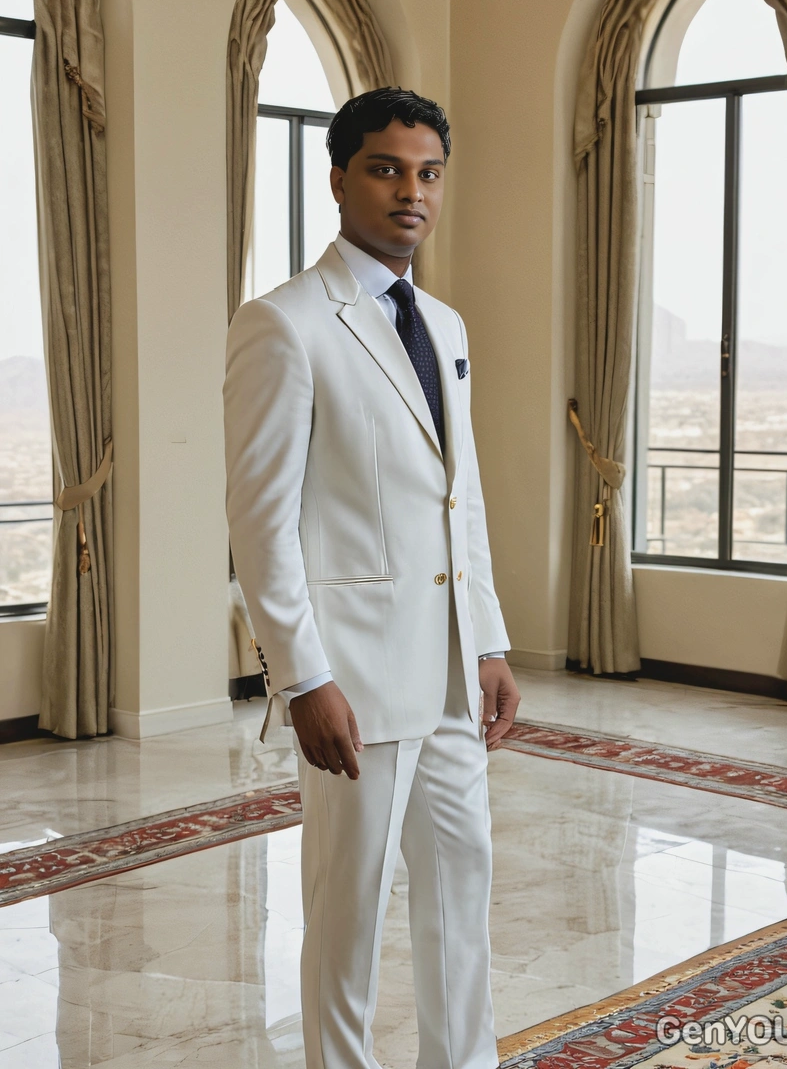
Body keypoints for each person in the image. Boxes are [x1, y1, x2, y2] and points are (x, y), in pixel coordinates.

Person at [223, 86, 521, 1069]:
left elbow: (458, 496)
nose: (411, 192)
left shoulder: (445, 322)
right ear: (340, 176)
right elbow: (262, 520)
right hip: (350, 683)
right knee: (346, 916)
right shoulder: (286, 324)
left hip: (443, 678)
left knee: (460, 890)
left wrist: (484, 639)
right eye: (387, 168)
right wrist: (301, 677)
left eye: (427, 172)